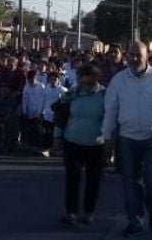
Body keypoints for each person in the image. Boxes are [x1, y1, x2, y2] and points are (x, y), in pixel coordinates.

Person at [101, 42, 152, 237]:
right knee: (131, 181)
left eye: (139, 55)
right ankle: (135, 220)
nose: (135, 59)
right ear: (126, 56)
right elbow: (110, 110)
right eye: (131, 55)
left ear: (148, 56)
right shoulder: (118, 80)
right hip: (127, 138)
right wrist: (107, 137)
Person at [52, 63, 107, 226]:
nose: (84, 82)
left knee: (93, 180)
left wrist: (112, 144)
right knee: (72, 179)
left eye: (88, 79)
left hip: (96, 143)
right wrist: (57, 137)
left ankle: (89, 212)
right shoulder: (72, 94)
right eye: (81, 78)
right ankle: (71, 212)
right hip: (73, 141)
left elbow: (111, 119)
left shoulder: (105, 94)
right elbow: (60, 116)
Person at [42, 72, 67, 154]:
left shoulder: (63, 90)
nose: (53, 81)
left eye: (55, 79)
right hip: (47, 114)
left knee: (56, 134)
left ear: (58, 80)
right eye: (51, 79)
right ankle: (48, 149)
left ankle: (57, 149)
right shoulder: (46, 88)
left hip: (58, 115)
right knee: (48, 133)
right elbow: (43, 101)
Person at [22, 70, 46, 150]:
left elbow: (43, 100)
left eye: (33, 78)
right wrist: (24, 111)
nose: (31, 80)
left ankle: (38, 146)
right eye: (30, 79)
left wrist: (40, 112)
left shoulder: (41, 86)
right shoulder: (26, 87)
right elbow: (24, 100)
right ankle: (29, 145)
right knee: (29, 130)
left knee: (38, 130)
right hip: (29, 112)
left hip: (38, 112)